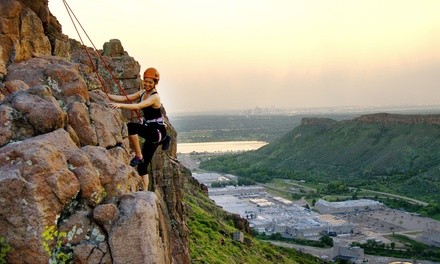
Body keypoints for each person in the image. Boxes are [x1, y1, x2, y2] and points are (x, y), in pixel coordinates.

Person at [108, 67, 170, 189]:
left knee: (131, 127)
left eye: (150, 82)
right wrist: (107, 95)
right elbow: (126, 98)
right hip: (152, 130)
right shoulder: (142, 93)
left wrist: (119, 106)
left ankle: (139, 155)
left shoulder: (155, 97)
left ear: (155, 83)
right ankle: (145, 191)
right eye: (145, 81)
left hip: (157, 131)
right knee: (142, 166)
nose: (147, 84)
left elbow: (139, 106)